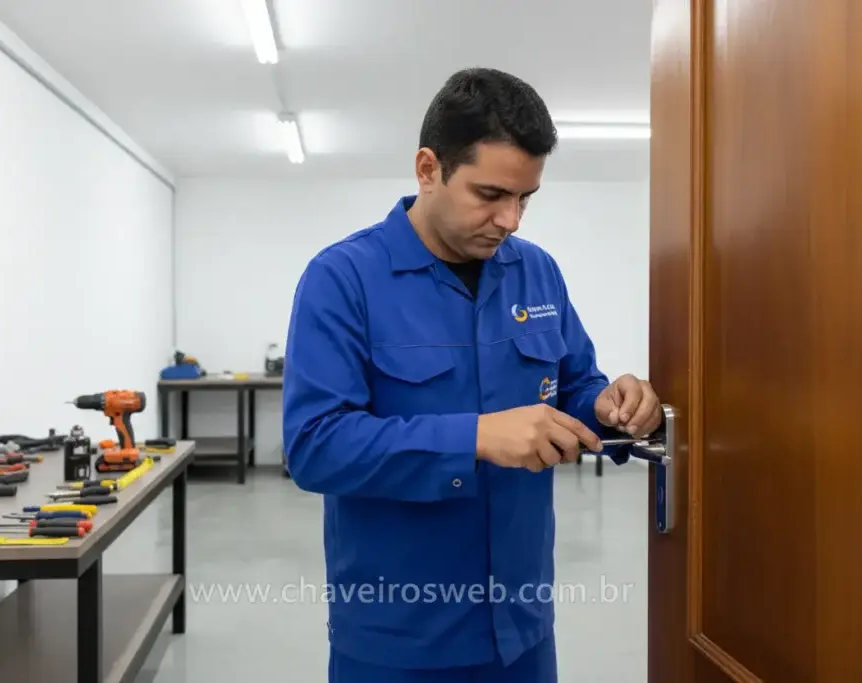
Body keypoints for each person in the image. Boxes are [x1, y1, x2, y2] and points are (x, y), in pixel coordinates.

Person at [281, 67, 664, 683]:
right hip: (398, 633)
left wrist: (609, 404)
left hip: (521, 626)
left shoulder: (536, 272)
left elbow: (574, 384)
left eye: (525, 198)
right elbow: (315, 447)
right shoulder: (342, 279)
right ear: (428, 169)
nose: (511, 220)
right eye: (490, 195)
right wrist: (478, 438)